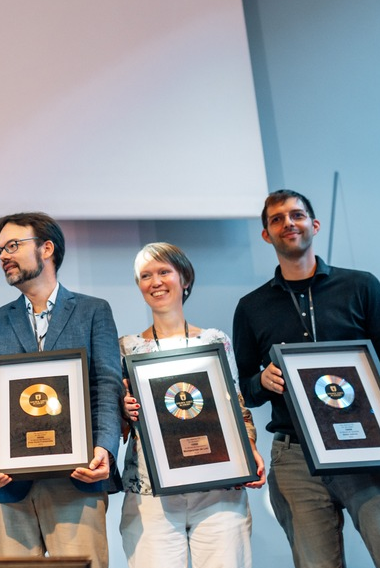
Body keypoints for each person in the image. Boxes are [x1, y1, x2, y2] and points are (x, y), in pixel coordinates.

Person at [233, 189, 380, 568]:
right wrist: (263, 381)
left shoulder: (361, 286)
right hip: (295, 458)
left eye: (297, 215)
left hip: (371, 450)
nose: (288, 223)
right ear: (266, 235)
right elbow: (245, 388)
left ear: (314, 224)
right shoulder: (251, 307)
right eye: (276, 219)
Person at [0, 212, 122, 568]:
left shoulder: (92, 311)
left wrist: (105, 449)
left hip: (78, 476)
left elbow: (107, 384)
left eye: (12, 246)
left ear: (47, 248)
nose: (4, 256)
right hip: (8, 484)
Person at [118, 242, 265, 568]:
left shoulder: (214, 341)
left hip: (219, 487)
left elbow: (236, 405)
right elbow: (119, 424)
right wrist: (123, 410)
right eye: (145, 275)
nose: (155, 282)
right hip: (151, 493)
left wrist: (249, 446)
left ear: (184, 278)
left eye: (163, 272)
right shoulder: (127, 348)